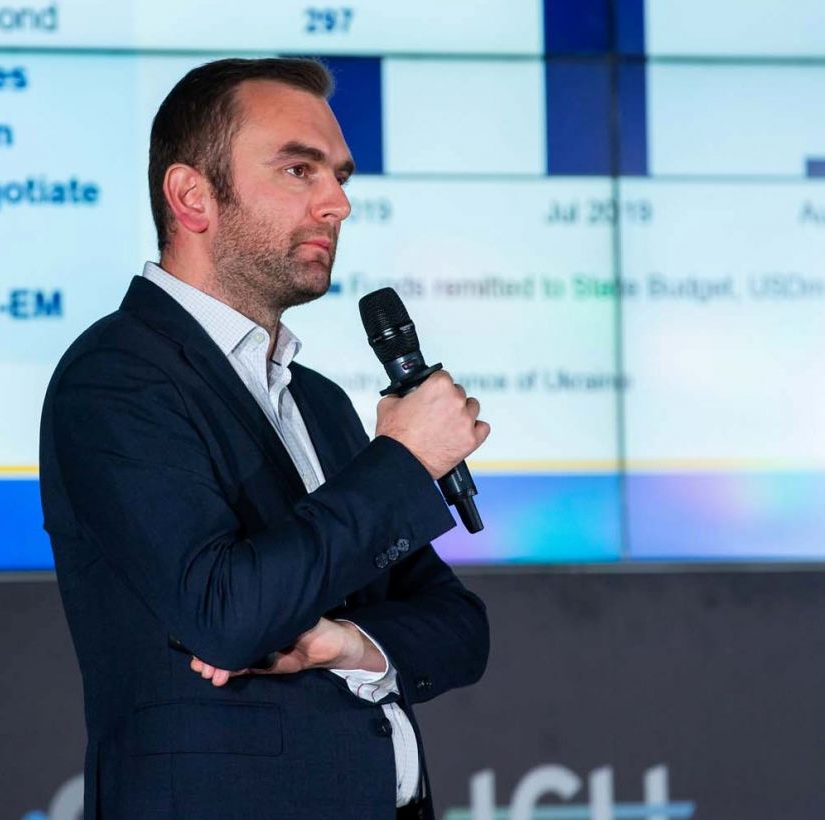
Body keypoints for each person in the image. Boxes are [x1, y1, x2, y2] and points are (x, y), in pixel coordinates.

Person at [39, 57, 491, 820]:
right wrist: (406, 460)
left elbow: (460, 629)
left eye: (338, 176)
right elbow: (225, 614)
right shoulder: (115, 377)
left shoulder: (317, 400)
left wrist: (346, 642)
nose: (338, 203)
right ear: (192, 196)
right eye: (298, 170)